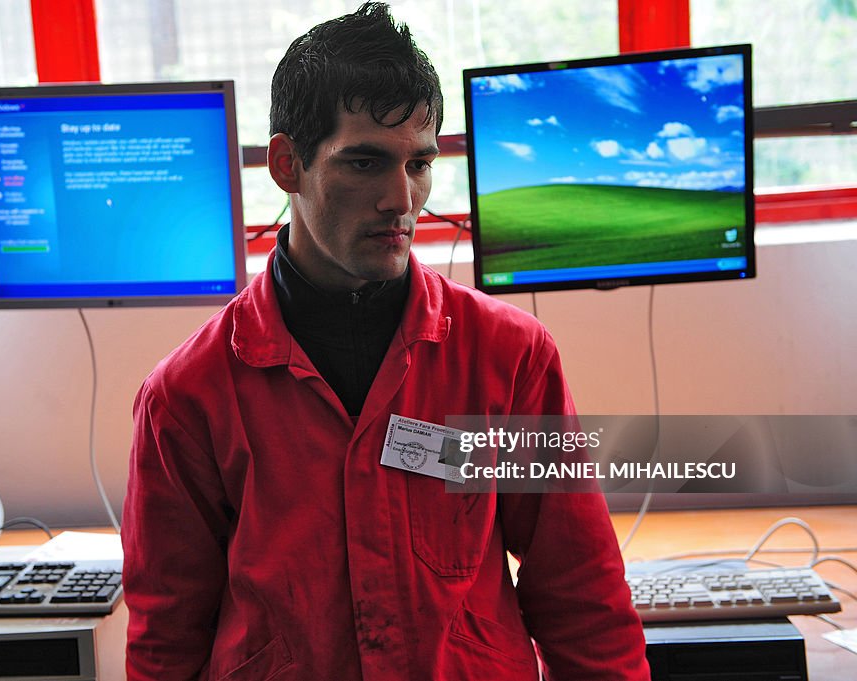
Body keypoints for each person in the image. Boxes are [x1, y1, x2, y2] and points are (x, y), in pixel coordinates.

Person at [122, 3, 649, 679]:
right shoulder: (186, 396)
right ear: (287, 164)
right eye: (365, 163)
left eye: (419, 164)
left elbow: (583, 597)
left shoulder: (510, 357)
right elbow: (166, 639)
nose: (401, 198)